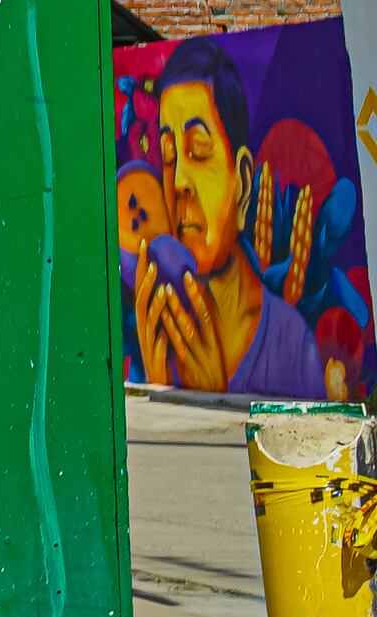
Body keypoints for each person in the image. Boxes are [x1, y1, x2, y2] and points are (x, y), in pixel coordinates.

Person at [127, 39, 325, 399]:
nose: (179, 182)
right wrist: (157, 380)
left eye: (199, 150)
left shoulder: (292, 345)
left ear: (244, 181)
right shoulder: (155, 327)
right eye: (169, 155)